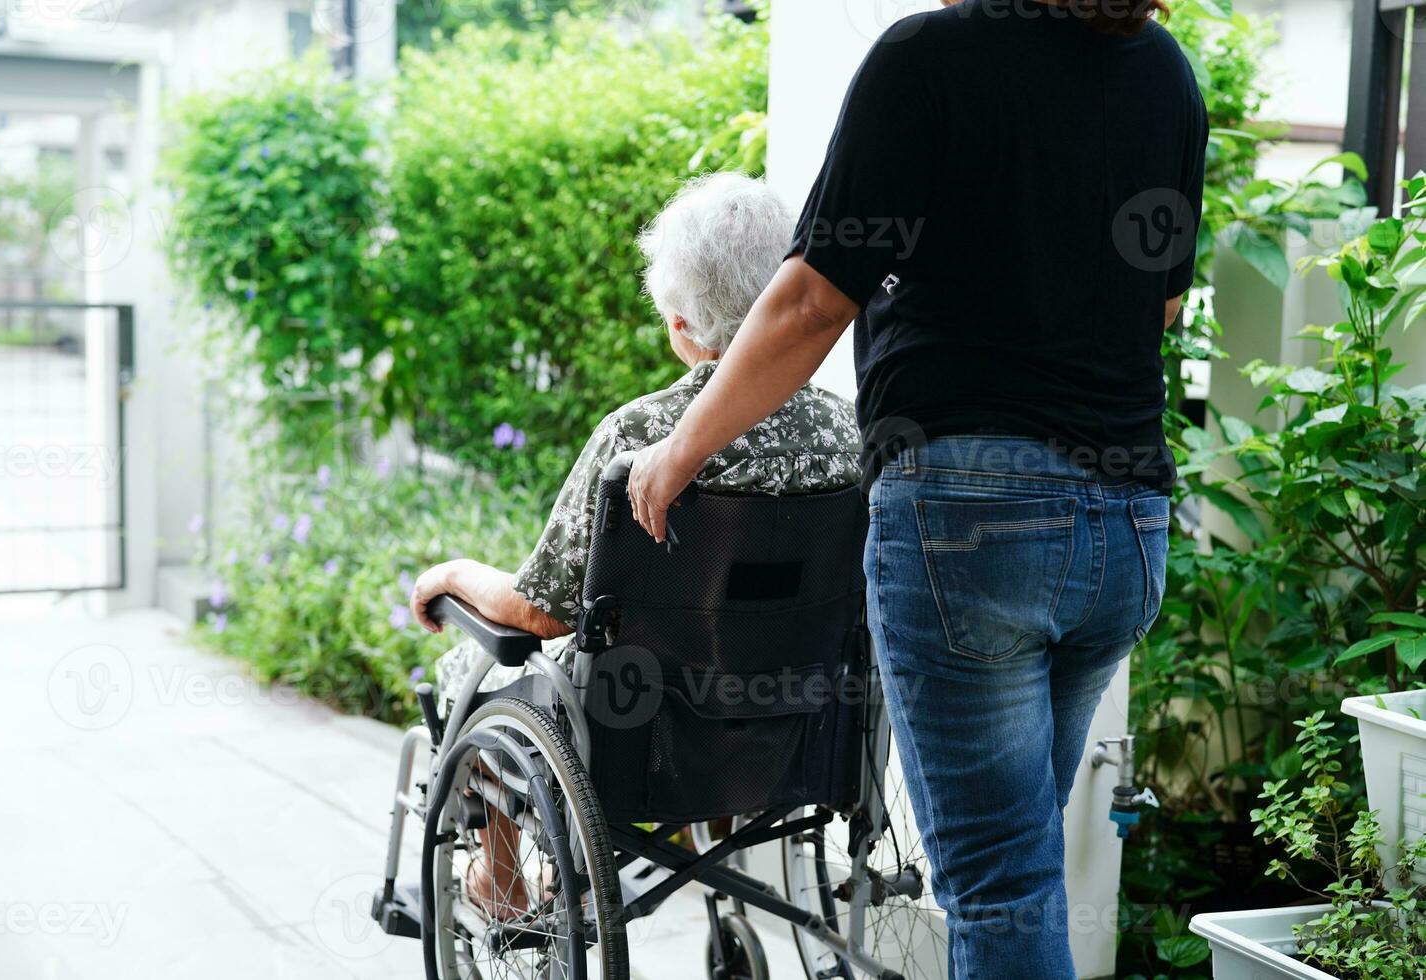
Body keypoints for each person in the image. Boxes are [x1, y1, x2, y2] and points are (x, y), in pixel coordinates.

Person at [624, 1, 1206, 976]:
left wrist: (680, 448)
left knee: (997, 886)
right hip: (1128, 522)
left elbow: (813, 297)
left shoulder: (930, 57)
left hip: (974, 525)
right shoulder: (1164, 73)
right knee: (1018, 873)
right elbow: (1163, 299)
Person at [409, 171, 861, 918]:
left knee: (470, 661)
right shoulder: (848, 433)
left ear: (681, 326)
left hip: (646, 736)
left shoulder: (644, 436)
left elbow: (540, 613)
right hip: (799, 727)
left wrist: (453, 572)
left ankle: (499, 876)